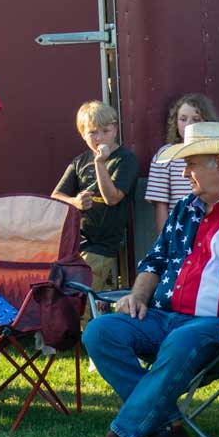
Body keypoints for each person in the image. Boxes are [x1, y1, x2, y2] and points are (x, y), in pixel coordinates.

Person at [83, 122, 219, 437]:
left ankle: (122, 433)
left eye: (190, 164)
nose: (184, 174)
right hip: (163, 318)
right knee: (100, 331)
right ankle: (167, 424)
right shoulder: (185, 209)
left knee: (182, 339)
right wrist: (138, 295)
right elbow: (155, 259)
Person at [52, 101, 138, 298]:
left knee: (81, 297)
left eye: (105, 131)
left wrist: (99, 162)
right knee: (67, 295)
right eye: (92, 132)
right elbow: (56, 197)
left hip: (102, 246)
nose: (99, 138)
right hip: (74, 243)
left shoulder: (125, 159)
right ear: (83, 134)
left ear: (115, 130)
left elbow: (112, 198)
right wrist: (75, 202)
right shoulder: (80, 161)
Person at [145, 93, 219, 233]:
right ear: (175, 122)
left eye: (196, 119)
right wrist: (165, 240)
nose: (188, 125)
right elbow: (160, 204)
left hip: (213, 230)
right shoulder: (165, 156)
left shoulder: (218, 152)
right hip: (179, 233)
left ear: (208, 121)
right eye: (183, 119)